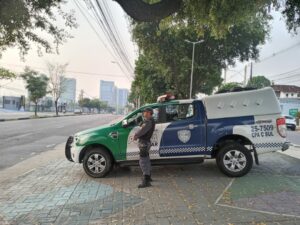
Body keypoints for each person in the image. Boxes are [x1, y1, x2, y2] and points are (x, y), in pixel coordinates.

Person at [133, 107, 155, 188]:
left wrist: (136, 135)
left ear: (149, 112)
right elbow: (142, 125)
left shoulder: (148, 121)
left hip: (144, 143)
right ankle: (148, 177)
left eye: (145, 112)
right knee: (147, 160)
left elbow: (143, 130)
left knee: (143, 162)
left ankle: (146, 181)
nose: (143, 113)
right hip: (146, 143)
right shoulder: (151, 120)